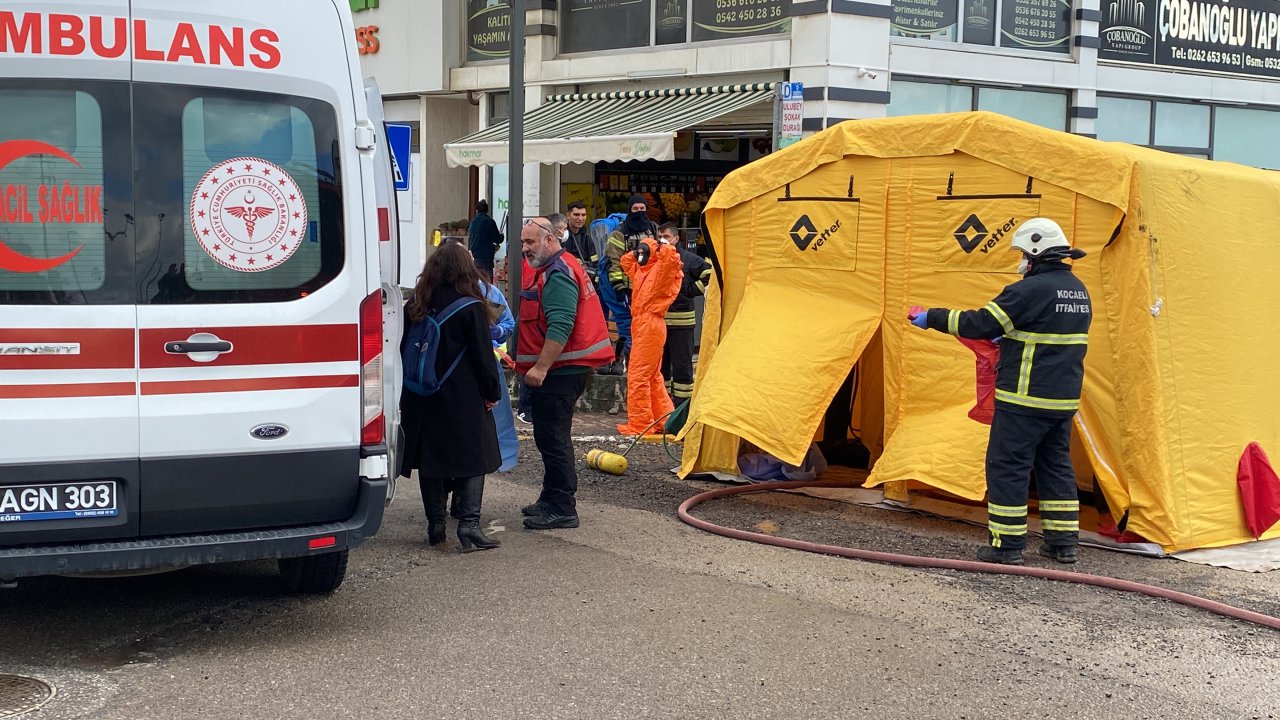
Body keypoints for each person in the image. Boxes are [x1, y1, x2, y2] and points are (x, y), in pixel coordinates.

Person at [908, 217, 1091, 566]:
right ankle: (1063, 542)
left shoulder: (1028, 290)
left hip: (1023, 398)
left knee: (1007, 466)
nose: (1020, 260)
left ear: (1036, 251)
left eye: (1022, 253)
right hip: (1062, 399)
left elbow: (980, 322)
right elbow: (1044, 333)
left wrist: (931, 316)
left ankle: (1006, 545)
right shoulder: (1078, 289)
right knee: (1055, 466)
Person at [400, 242, 503, 552]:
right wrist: (492, 392)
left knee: (431, 459)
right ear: (465, 269)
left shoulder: (415, 304)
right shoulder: (470, 306)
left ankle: (435, 524)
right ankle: (469, 526)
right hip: (463, 396)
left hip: (420, 394)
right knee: (475, 457)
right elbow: (484, 356)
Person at [516, 217, 614, 530]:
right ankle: (551, 497)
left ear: (549, 240)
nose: (525, 248)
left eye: (530, 242)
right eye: (523, 242)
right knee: (549, 437)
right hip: (563, 370)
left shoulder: (557, 273)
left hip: (559, 372)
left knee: (554, 439)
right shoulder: (558, 267)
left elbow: (560, 324)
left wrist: (541, 367)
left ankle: (561, 506)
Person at [616, 231, 683, 436]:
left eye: (645, 252)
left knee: (638, 375)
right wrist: (638, 249)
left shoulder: (660, 271)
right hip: (643, 324)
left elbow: (671, 259)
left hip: (650, 324)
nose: (641, 255)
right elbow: (625, 262)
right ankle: (666, 419)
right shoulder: (643, 271)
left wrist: (661, 246)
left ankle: (641, 424)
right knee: (652, 376)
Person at [602, 194, 659, 371]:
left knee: (643, 325)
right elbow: (614, 261)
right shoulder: (619, 233)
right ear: (630, 210)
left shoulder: (653, 228)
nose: (640, 212)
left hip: (647, 287)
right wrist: (619, 287)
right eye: (636, 209)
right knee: (625, 324)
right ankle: (622, 360)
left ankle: (638, 360)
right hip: (626, 288)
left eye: (642, 209)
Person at [659, 223, 710, 414]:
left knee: (682, 368)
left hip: (682, 322)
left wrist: (690, 292)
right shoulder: (657, 259)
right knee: (662, 368)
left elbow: (709, 273)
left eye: (666, 236)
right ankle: (664, 407)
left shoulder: (688, 259)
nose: (662, 240)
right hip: (661, 323)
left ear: (676, 238)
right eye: (660, 236)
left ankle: (682, 409)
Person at [467, 199, 503, 279]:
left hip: (476, 256)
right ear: (487, 210)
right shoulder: (490, 222)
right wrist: (502, 236)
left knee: (477, 281)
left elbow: (471, 238)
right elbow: (497, 239)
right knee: (487, 282)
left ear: (476, 210)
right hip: (487, 257)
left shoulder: (473, 222)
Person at [564, 201, 598, 282]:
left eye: (583, 215)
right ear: (568, 216)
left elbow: (595, 262)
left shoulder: (587, 238)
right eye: (576, 215)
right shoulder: (561, 237)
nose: (580, 218)